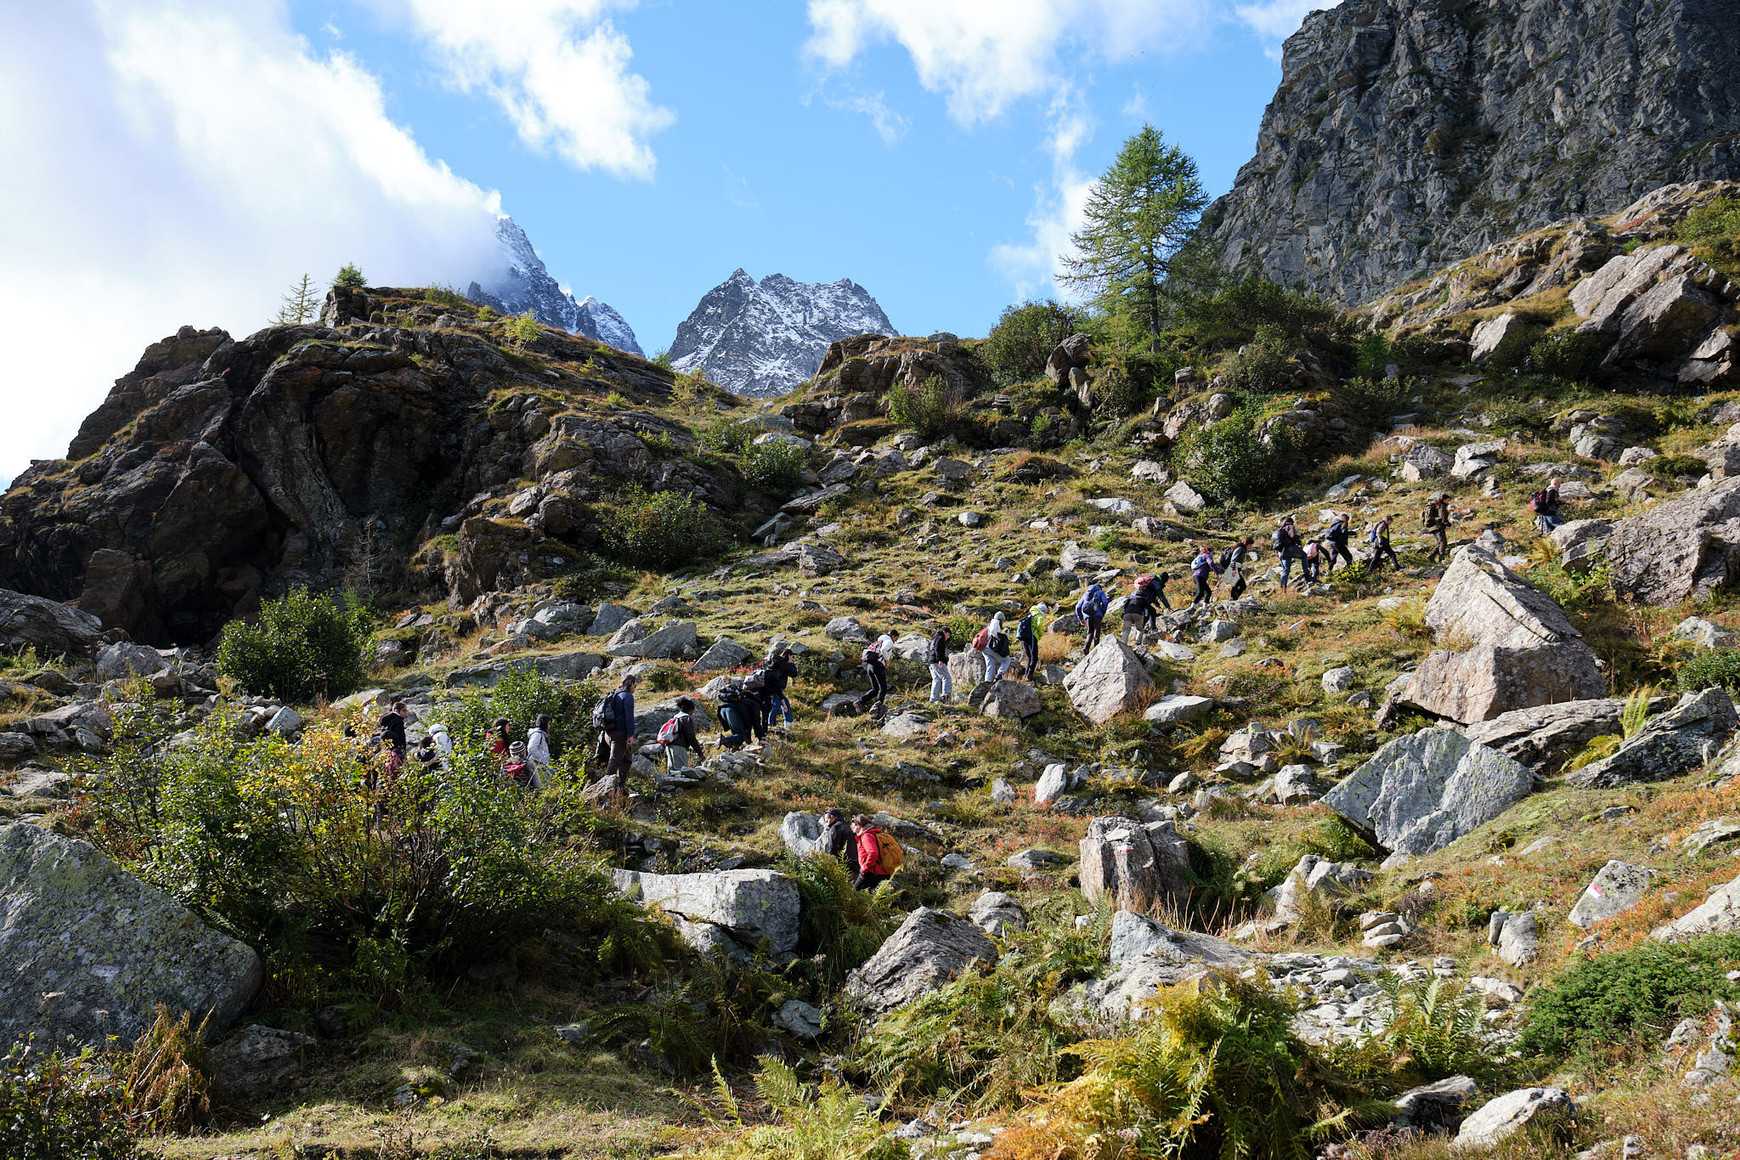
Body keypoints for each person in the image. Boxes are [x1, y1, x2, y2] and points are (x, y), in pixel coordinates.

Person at [595, 675, 638, 782]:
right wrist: (631, 735)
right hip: (620, 734)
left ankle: (620, 786)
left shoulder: (614, 694)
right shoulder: (627, 696)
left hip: (608, 733)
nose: (635, 689)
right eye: (635, 686)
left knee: (626, 759)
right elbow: (629, 717)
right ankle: (607, 788)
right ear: (631, 684)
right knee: (614, 760)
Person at [661, 696, 706, 771]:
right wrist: (700, 753)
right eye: (692, 710)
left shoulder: (675, 718)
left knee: (672, 773)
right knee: (681, 772)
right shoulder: (686, 718)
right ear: (690, 710)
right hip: (679, 748)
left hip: (669, 747)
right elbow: (691, 737)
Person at [850, 813, 893, 891]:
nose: (853, 829)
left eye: (854, 825)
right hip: (882, 871)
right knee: (874, 896)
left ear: (859, 825)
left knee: (854, 893)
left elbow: (873, 853)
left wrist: (865, 868)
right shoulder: (874, 834)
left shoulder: (866, 836)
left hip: (872, 872)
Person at [761, 647, 800, 728]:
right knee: (776, 705)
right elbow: (794, 674)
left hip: (772, 687)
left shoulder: (777, 663)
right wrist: (791, 662)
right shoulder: (784, 665)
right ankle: (771, 724)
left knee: (785, 703)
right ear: (789, 656)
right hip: (777, 688)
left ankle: (788, 722)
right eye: (792, 656)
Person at [821, 807, 860, 877]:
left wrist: (831, 865)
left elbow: (832, 848)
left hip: (843, 863)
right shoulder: (850, 827)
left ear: (832, 817)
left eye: (826, 821)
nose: (826, 824)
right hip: (856, 862)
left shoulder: (835, 828)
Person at [1016, 603, 1048, 680]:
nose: (1045, 614)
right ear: (1043, 610)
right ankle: (1030, 675)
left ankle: (1026, 674)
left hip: (1024, 638)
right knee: (1034, 657)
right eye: (1045, 612)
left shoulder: (1032, 614)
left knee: (1029, 657)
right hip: (1032, 637)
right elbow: (1039, 625)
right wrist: (1040, 633)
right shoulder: (1039, 615)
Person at [1273, 517, 1306, 590]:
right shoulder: (1290, 526)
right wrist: (1299, 543)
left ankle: (1283, 586)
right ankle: (1306, 573)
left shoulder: (1279, 530)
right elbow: (1293, 536)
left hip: (1280, 552)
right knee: (1304, 556)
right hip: (1289, 548)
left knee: (1286, 569)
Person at [1076, 582, 1109, 652]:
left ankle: (1086, 648)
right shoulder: (1100, 592)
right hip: (1097, 615)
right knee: (1097, 633)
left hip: (1087, 616)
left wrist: (1081, 618)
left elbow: (1078, 607)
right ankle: (1096, 650)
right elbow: (1105, 602)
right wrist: (1102, 612)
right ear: (1099, 588)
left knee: (1089, 632)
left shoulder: (1086, 594)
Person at [861, 636, 891, 710]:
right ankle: (878, 707)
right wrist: (886, 661)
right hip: (878, 666)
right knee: (883, 688)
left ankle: (860, 702)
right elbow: (884, 650)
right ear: (894, 636)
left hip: (870, 666)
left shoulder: (878, 643)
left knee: (875, 689)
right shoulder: (888, 641)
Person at [380, 700, 409, 776]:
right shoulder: (399, 721)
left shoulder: (387, 720)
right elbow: (401, 737)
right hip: (396, 748)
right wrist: (403, 751)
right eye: (403, 711)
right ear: (396, 711)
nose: (406, 713)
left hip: (387, 748)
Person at [524, 714, 553, 790]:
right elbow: (531, 748)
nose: (550, 726)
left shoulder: (541, 734)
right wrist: (541, 757)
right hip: (537, 763)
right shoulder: (537, 734)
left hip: (539, 763)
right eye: (549, 723)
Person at [927, 626, 953, 703]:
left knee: (936, 680)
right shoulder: (940, 637)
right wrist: (940, 660)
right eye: (948, 635)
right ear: (945, 632)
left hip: (931, 662)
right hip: (936, 661)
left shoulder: (935, 638)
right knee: (946, 677)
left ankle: (933, 699)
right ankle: (945, 696)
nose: (948, 638)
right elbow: (938, 649)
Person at [984, 612, 1014, 681]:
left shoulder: (990, 623)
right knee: (1007, 660)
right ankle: (999, 675)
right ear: (1001, 619)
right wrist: (998, 637)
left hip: (984, 648)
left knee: (990, 664)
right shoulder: (996, 622)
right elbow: (993, 631)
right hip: (989, 648)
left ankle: (987, 681)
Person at [1425, 494, 1452, 562]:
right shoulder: (1441, 506)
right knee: (1443, 542)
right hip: (1438, 527)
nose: (1448, 502)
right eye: (1447, 500)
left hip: (1432, 527)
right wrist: (1450, 525)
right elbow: (1443, 518)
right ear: (1443, 499)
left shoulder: (1437, 505)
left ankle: (1431, 556)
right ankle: (1441, 558)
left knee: (1440, 543)